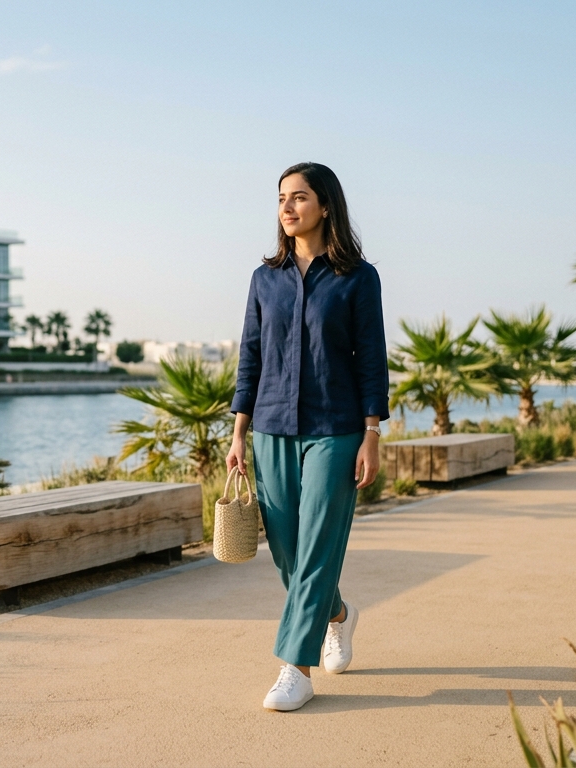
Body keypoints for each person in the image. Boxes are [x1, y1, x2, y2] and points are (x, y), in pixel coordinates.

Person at [226, 162, 389, 712]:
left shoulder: (357, 278)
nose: (288, 207)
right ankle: (337, 614)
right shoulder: (263, 278)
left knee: (319, 542)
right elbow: (250, 357)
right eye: (281, 199)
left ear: (326, 205)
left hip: (336, 428)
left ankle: (294, 668)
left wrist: (371, 432)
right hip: (270, 424)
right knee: (289, 552)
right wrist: (238, 432)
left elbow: (371, 358)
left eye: (299, 197)